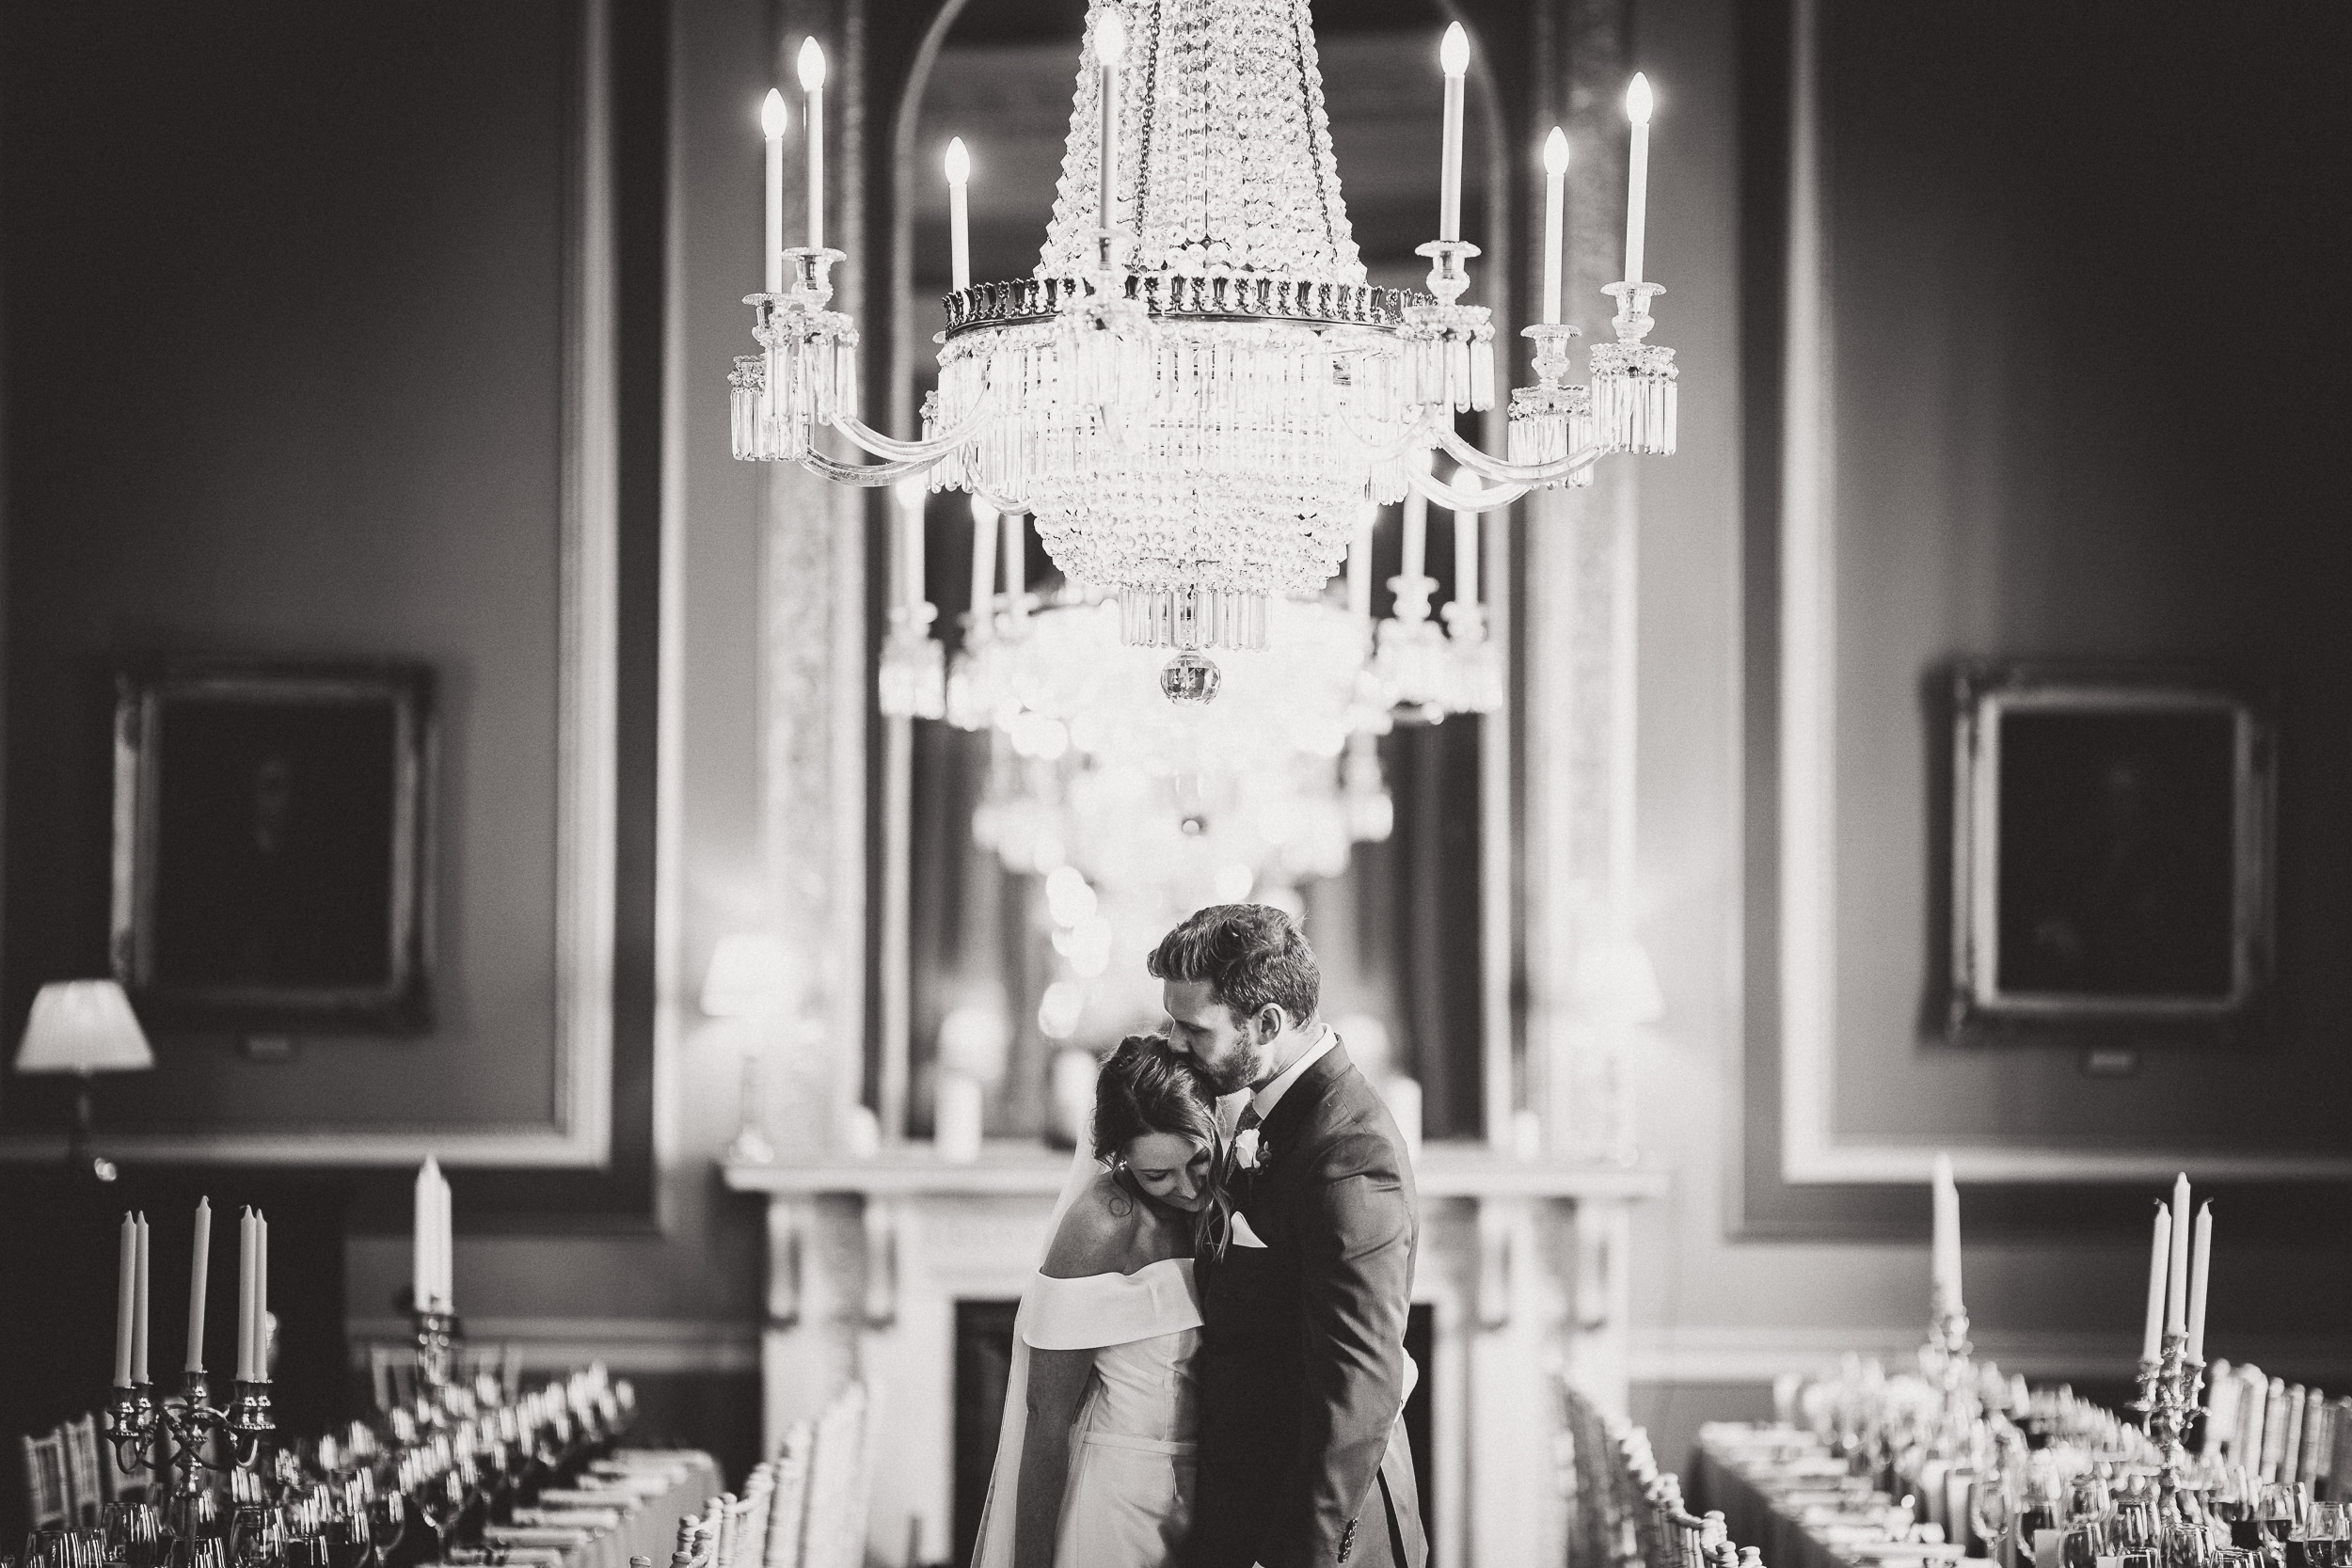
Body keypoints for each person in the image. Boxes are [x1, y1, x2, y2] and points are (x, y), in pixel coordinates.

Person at [1154, 904, 1427, 1568]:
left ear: (1268, 1023)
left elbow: (1360, 1381)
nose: (1176, 1045)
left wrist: (1300, 1556)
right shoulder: (1270, 1109)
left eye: (1194, 1029)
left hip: (1316, 1529)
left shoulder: (1349, 1148)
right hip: (1247, 1503)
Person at [974, 1034, 1229, 1568]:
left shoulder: (1218, 1210)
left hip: (1208, 1509)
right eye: (1157, 1175)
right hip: (1116, 1510)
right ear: (1118, 1160)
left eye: (1197, 1162)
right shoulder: (1100, 1228)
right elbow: (1046, 1418)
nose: (1186, 1188)